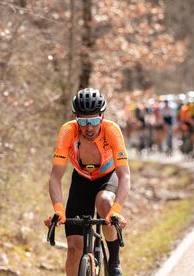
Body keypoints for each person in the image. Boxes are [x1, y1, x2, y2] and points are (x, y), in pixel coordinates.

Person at [46, 88, 130, 276]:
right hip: (81, 180)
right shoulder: (68, 131)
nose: (89, 127)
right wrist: (58, 210)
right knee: (74, 248)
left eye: (93, 120)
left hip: (107, 177)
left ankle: (114, 260)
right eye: (83, 121)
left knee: (105, 202)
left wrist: (115, 212)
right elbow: (55, 177)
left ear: (102, 116)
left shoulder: (112, 131)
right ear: (76, 118)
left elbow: (125, 176)